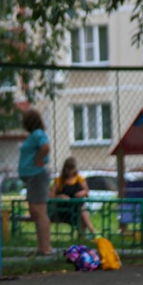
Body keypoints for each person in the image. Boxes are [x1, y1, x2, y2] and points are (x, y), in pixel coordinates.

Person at [18, 108, 53, 257]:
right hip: (32, 177)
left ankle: (46, 248)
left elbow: (45, 147)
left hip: (37, 176)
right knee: (35, 212)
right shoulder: (34, 135)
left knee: (39, 211)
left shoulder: (38, 134)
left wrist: (38, 159)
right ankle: (41, 247)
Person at [50, 156, 98, 237]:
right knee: (82, 210)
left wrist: (82, 193)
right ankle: (93, 232)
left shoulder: (79, 179)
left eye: (72, 169)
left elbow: (87, 192)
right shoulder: (59, 180)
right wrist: (60, 196)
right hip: (63, 209)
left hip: (77, 206)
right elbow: (51, 195)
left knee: (83, 210)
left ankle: (87, 233)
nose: (70, 171)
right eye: (68, 168)